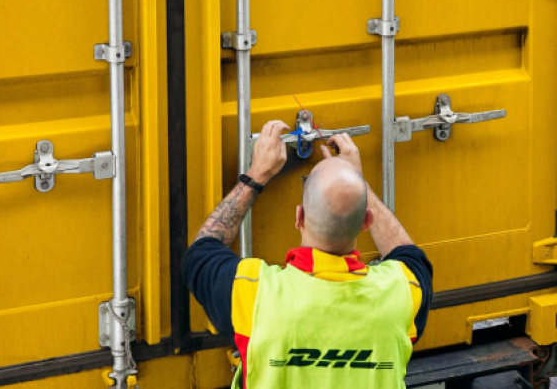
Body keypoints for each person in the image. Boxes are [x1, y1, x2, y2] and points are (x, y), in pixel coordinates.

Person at [183, 120, 433, 388]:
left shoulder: (253, 293)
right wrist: (356, 185)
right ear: (366, 221)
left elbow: (201, 252)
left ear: (299, 217)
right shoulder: (401, 293)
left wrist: (256, 175)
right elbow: (408, 254)